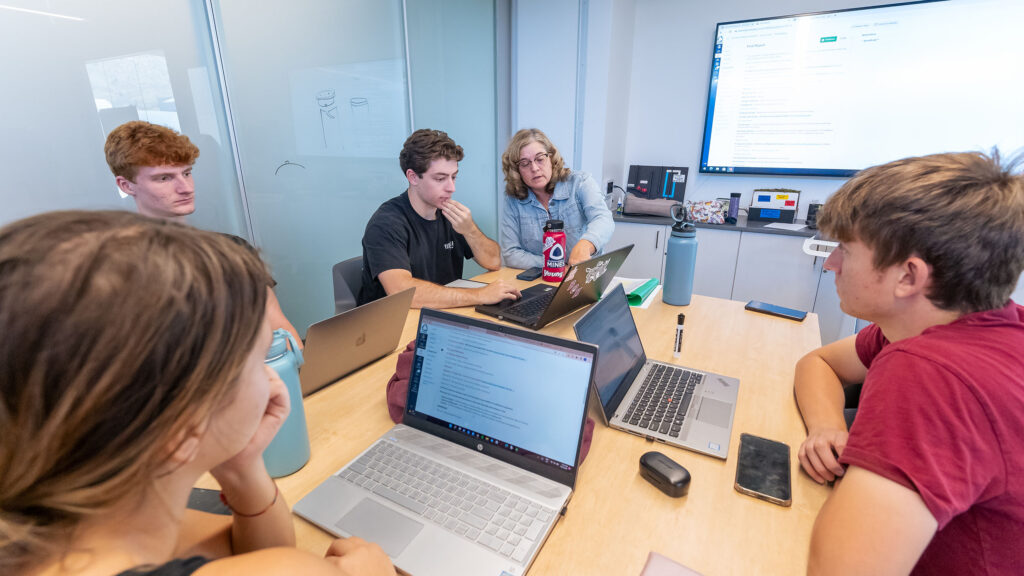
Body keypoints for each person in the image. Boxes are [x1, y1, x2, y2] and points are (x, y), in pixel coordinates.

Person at [0, 210, 395, 576]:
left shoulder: (79, 508)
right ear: (181, 427)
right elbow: (278, 564)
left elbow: (254, 556)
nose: (275, 380)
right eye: (260, 359)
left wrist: (240, 462)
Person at [792, 151, 1024, 575]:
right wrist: (828, 426)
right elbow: (820, 361)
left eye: (844, 250)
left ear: (908, 277)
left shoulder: (931, 373)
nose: (831, 264)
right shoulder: (973, 326)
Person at [104, 120, 302, 348]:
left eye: (187, 173)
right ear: (126, 185)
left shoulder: (232, 249)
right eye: (164, 178)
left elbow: (282, 332)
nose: (185, 188)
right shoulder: (119, 268)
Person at [358, 128, 519, 308]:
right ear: (413, 177)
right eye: (440, 178)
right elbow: (402, 292)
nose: (451, 188)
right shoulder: (386, 223)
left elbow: (494, 261)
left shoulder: (449, 212)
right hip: (393, 325)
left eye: (454, 177)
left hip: (439, 314)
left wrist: (470, 230)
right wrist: (480, 295)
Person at [499, 128, 614, 269]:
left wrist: (586, 244)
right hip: (542, 279)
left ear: (552, 158)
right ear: (516, 170)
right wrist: (555, 265)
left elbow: (603, 218)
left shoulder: (580, 182)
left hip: (587, 274)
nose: (534, 168)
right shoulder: (513, 201)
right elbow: (511, 254)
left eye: (540, 159)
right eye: (525, 163)